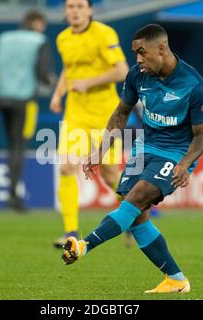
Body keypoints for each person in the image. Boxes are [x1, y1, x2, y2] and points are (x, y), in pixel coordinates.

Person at [61, 24, 203, 294]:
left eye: (142, 53)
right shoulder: (137, 76)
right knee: (137, 216)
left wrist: (185, 164)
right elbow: (120, 114)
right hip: (145, 149)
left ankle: (83, 245)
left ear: (161, 49)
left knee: (136, 199)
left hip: (176, 154)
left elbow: (201, 136)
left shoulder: (193, 84)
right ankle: (176, 279)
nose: (138, 59)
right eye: (135, 53)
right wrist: (99, 151)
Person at [50, 0, 128, 247]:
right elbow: (69, 68)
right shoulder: (63, 38)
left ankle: (133, 216)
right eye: (70, 6)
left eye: (80, 6)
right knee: (66, 166)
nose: (74, 10)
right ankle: (70, 232)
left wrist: (89, 82)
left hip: (106, 116)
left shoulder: (104, 34)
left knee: (109, 174)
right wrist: (57, 92)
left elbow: (122, 71)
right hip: (76, 114)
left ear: (90, 10)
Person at [0, 10, 55, 211]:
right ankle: (13, 195)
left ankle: (12, 192)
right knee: (19, 145)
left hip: (2, 100)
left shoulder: (3, 38)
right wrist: (55, 85)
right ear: (37, 24)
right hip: (25, 101)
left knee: (12, 144)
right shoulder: (39, 40)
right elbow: (43, 72)